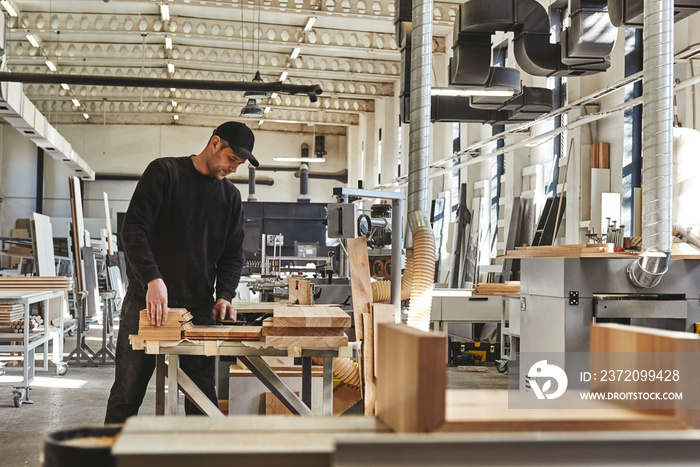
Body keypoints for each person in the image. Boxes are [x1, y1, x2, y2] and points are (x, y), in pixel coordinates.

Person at [105, 121, 258, 423]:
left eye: (239, 164)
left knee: (203, 400)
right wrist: (152, 278)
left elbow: (232, 255)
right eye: (231, 160)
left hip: (197, 310)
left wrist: (225, 295)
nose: (234, 169)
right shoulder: (164, 173)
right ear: (215, 143)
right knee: (127, 393)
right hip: (146, 304)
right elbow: (132, 230)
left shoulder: (230, 198)